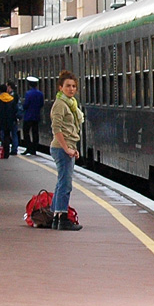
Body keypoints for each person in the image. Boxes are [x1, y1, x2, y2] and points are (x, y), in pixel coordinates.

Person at [49, 70, 83, 231]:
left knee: (61, 183)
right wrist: (67, 148)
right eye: (68, 86)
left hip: (67, 147)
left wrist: (71, 148)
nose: (71, 89)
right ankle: (62, 218)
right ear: (60, 87)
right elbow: (56, 128)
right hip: (61, 148)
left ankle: (56, 216)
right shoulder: (60, 105)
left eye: (74, 86)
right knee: (65, 184)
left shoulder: (71, 103)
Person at [0, 82, 18, 158]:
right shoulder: (11, 99)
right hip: (8, 121)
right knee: (7, 136)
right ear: (6, 90)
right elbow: (15, 110)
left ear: (0, 90)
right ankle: (6, 153)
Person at [20, 77, 44, 155]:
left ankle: (28, 148)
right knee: (35, 132)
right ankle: (34, 149)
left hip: (28, 116)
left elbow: (26, 105)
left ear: (29, 85)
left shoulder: (28, 93)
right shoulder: (40, 94)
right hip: (36, 116)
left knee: (26, 132)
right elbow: (41, 104)